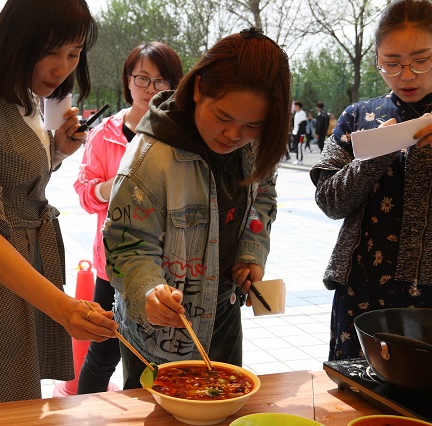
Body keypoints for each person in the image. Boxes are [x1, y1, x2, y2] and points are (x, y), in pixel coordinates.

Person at [0, 0, 118, 407]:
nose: (62, 67)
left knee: (23, 400)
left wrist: (56, 152)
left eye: (73, 53)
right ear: (16, 39)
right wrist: (65, 308)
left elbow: (10, 174)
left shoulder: (24, 97)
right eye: (50, 51)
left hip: (24, 264)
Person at [102, 28, 291, 389]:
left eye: (253, 125)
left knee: (224, 405)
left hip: (223, 309)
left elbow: (263, 195)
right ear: (200, 88)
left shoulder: (253, 148)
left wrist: (252, 253)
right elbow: (126, 245)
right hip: (161, 331)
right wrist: (148, 291)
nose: (234, 135)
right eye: (223, 117)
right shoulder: (149, 159)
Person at [310, 0, 432, 361]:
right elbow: (330, 201)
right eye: (391, 63)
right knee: (358, 399)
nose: (406, 75)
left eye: (421, 59)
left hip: (431, 298)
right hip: (363, 290)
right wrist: (374, 155)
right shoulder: (358, 117)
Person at [73, 42, 183, 394]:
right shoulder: (104, 134)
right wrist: (110, 189)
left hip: (169, 263)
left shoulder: (179, 135)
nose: (150, 89)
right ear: (128, 80)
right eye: (142, 78)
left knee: (162, 358)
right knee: (103, 353)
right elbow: (84, 192)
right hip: (113, 264)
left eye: (161, 81)